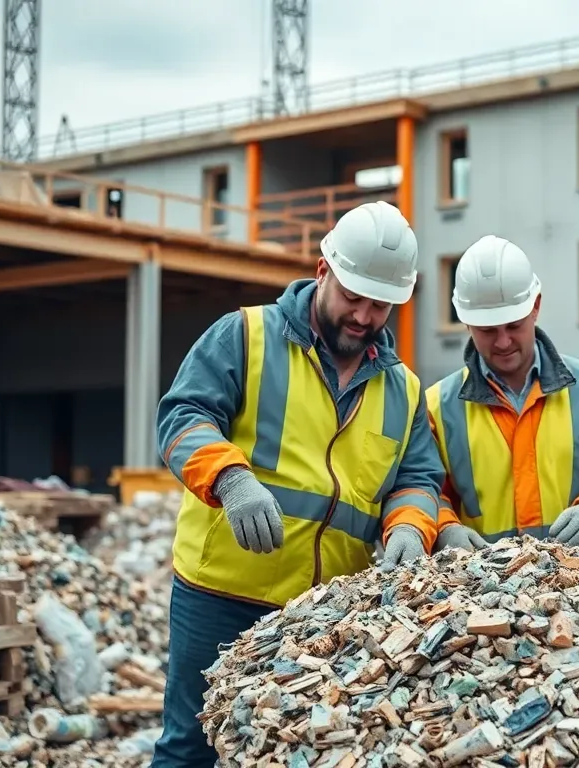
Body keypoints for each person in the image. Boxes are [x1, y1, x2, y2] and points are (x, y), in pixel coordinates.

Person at [152, 201, 442, 767]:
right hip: (222, 593)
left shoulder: (403, 388)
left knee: (300, 751)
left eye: (379, 305)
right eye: (352, 297)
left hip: (327, 611)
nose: (363, 315)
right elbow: (183, 418)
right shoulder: (245, 335)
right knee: (192, 747)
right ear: (321, 272)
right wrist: (232, 479)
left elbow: (416, 475)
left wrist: (410, 526)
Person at [425, 235, 579, 552]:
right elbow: (424, 489)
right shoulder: (437, 405)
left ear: (535, 306)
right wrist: (444, 528)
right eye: (488, 330)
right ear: (466, 322)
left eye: (513, 326)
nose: (504, 341)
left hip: (578, 585)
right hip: (482, 592)